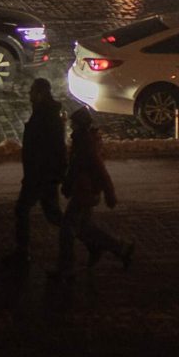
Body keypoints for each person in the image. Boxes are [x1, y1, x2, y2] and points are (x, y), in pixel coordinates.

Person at [53, 105, 133, 277]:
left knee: (67, 229)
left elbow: (96, 168)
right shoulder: (84, 140)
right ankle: (121, 248)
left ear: (79, 125)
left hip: (84, 193)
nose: (71, 126)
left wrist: (109, 192)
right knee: (85, 227)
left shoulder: (85, 143)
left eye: (73, 123)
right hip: (86, 191)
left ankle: (66, 267)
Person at [9, 79, 66, 262]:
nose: (29, 94)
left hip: (40, 175)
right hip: (42, 174)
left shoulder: (45, 117)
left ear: (40, 94)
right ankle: (102, 242)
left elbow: (49, 149)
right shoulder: (45, 113)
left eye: (32, 91)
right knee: (54, 216)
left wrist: (38, 174)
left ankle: (22, 251)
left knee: (23, 209)